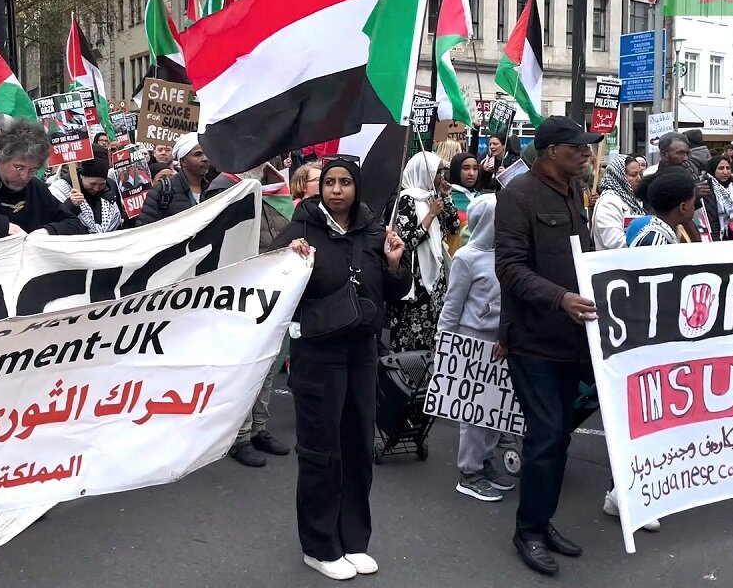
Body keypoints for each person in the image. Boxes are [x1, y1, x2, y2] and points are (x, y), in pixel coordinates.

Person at [278, 157, 409, 580]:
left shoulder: (374, 231)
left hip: (362, 352)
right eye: (329, 182)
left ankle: (353, 539)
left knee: (356, 444)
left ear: (357, 188)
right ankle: (319, 545)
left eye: (345, 183)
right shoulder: (299, 230)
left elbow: (394, 290)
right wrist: (291, 261)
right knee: (321, 449)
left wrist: (392, 262)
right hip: (318, 355)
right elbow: (275, 288)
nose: (336, 189)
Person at [495, 116, 603, 576]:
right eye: (579, 147)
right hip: (534, 341)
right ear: (552, 150)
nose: (587, 153)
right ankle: (529, 531)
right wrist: (559, 298)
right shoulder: (517, 196)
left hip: (572, 339)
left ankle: (543, 518)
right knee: (545, 435)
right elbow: (510, 269)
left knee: (558, 436)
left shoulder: (574, 194)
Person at [203, 163, 294, 467]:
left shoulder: (278, 185)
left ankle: (259, 429)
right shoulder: (222, 187)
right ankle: (238, 436)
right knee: (246, 366)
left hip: (275, 291)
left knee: (269, 365)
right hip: (241, 293)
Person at [439, 195, 516, 502]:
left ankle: (484, 463)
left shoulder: (509, 254)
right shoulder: (466, 258)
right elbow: (452, 305)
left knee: (496, 408)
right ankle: (468, 472)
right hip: (473, 340)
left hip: (503, 341)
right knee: (472, 412)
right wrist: (446, 345)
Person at [387, 151, 459, 353]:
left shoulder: (432, 198)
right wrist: (430, 216)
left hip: (435, 277)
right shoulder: (405, 200)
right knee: (410, 335)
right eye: (437, 173)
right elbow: (407, 241)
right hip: (414, 278)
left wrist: (446, 196)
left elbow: (453, 226)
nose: (440, 178)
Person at [137, 133, 217, 225]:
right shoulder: (163, 189)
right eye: (198, 154)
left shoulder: (212, 190)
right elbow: (144, 228)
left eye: (206, 153)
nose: (205, 158)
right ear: (183, 162)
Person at [49, 151, 124, 234]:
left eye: (101, 184)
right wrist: (70, 204)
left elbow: (119, 222)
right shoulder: (60, 189)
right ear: (82, 176)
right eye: (92, 184)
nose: (96, 188)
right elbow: (51, 220)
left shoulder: (111, 188)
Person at [624, 168, 698, 247]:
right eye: (693, 203)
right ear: (683, 208)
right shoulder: (657, 243)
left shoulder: (665, 232)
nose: (694, 208)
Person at [591, 154, 645, 251]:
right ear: (618, 176)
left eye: (639, 174)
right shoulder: (608, 202)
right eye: (633, 175)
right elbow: (613, 241)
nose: (639, 179)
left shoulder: (631, 199)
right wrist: (646, 240)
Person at [446, 152, 481, 253]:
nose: (471, 173)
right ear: (456, 170)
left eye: (475, 168)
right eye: (466, 168)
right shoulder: (448, 198)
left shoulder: (482, 198)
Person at [703, 155, 733, 241]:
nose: (725, 172)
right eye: (721, 168)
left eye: (728, 168)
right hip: (714, 235)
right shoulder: (705, 188)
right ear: (713, 169)